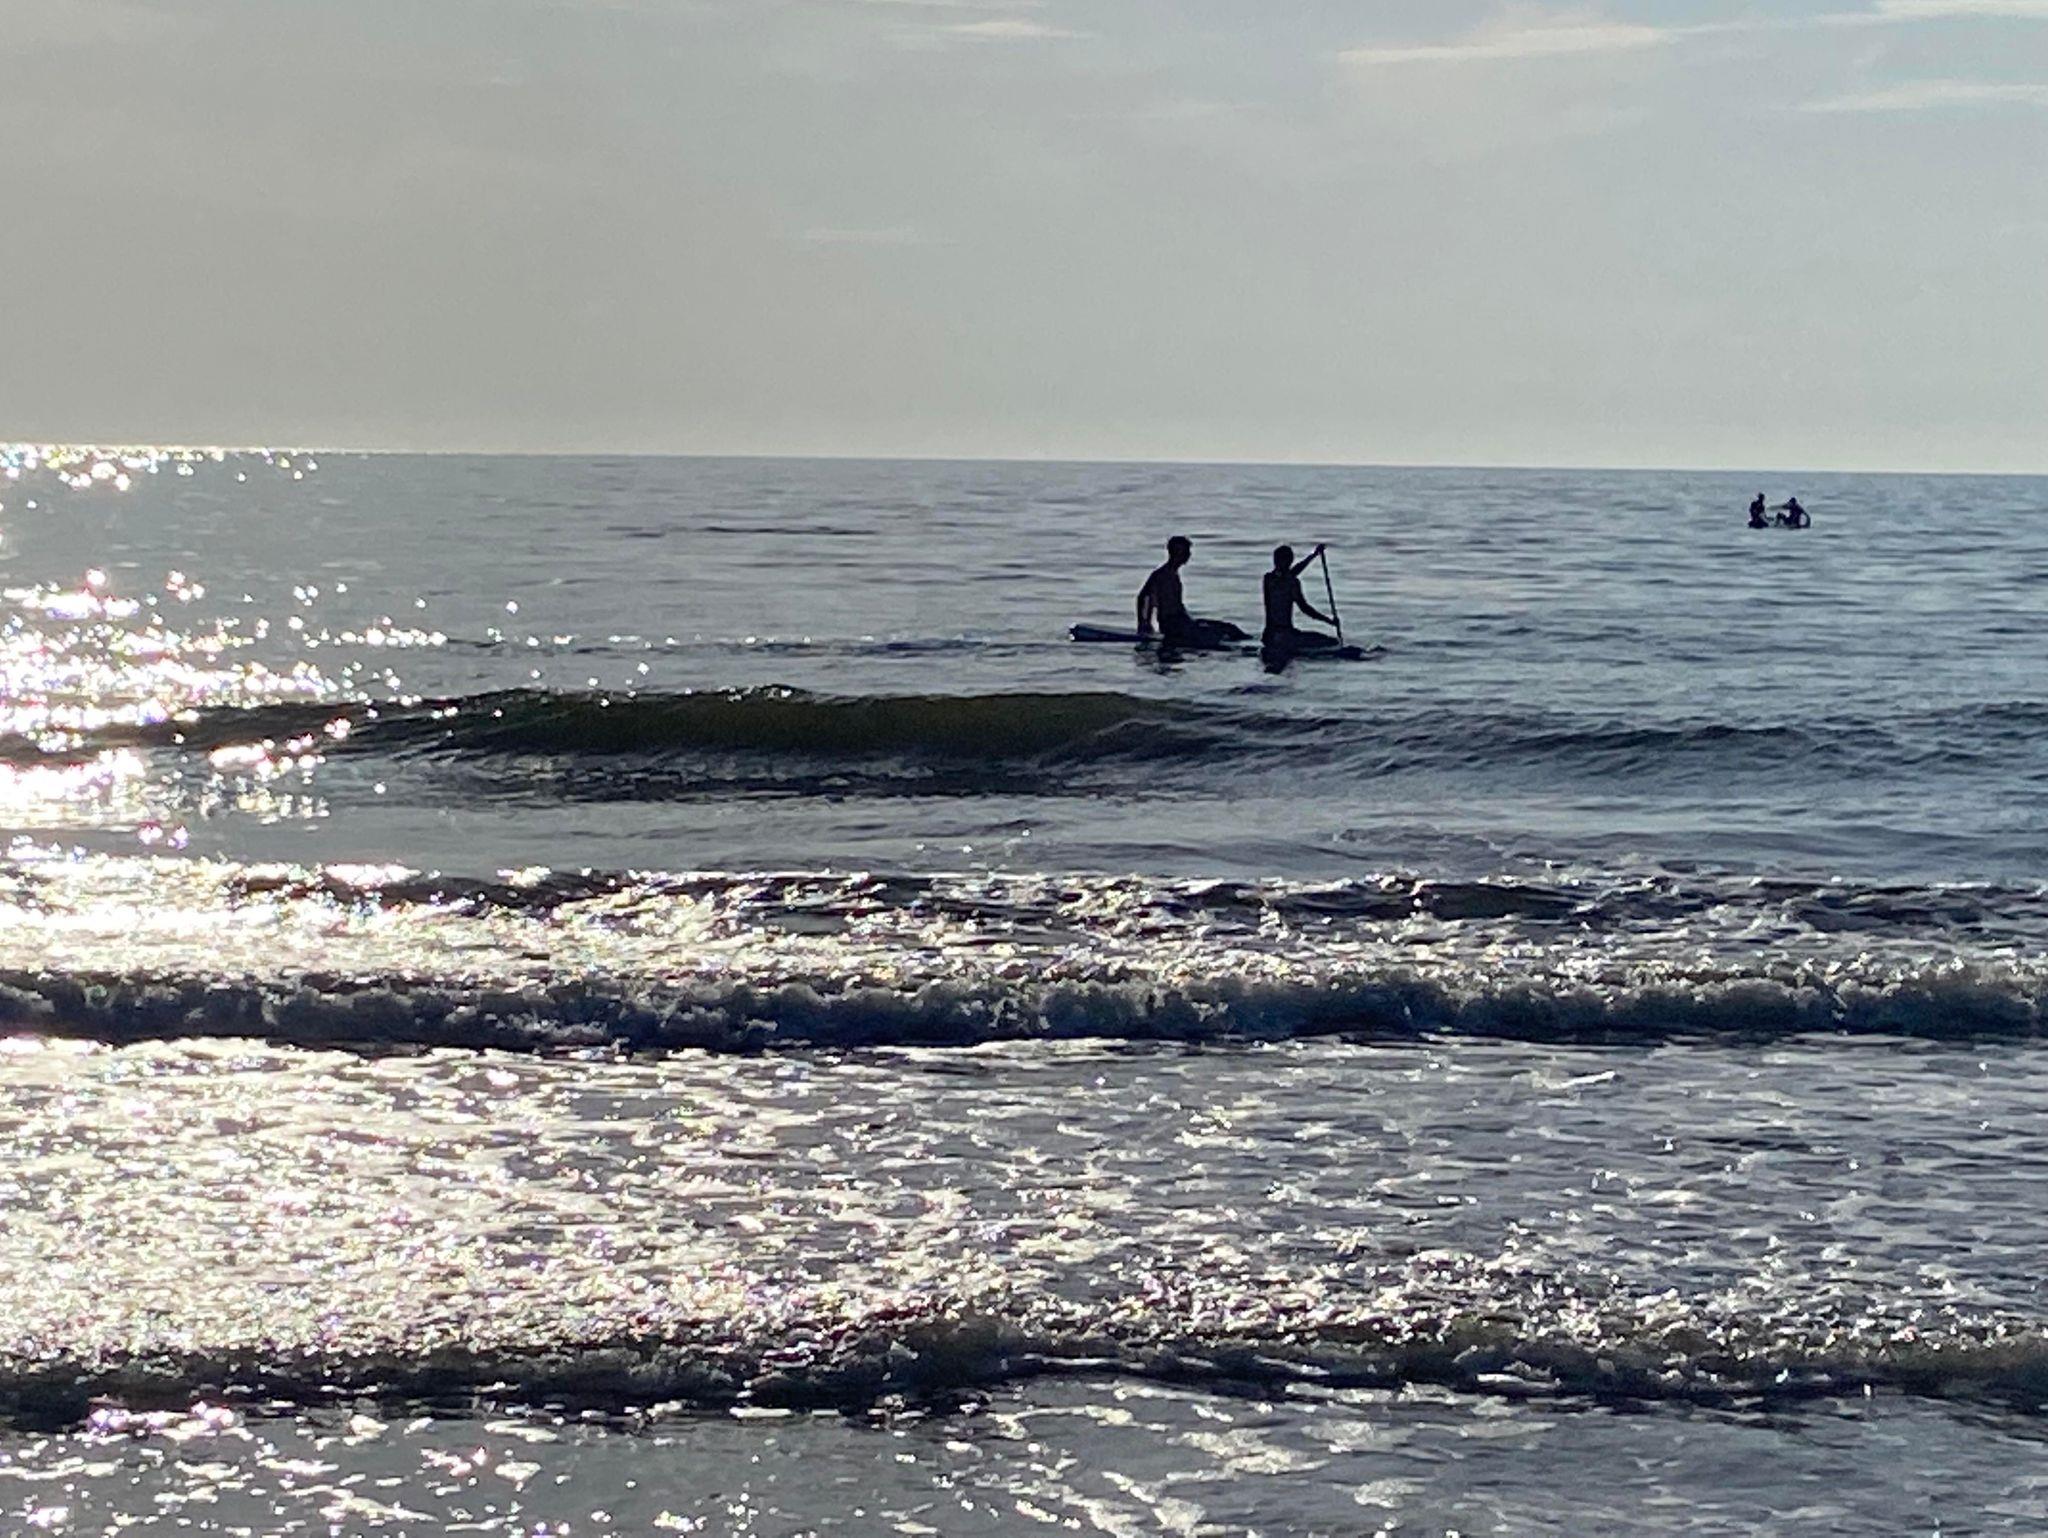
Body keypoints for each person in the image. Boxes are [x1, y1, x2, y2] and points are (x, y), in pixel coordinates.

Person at [1136, 536, 1243, 648]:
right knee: (1219, 634)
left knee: (1229, 628)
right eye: (1186, 551)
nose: (1189, 554)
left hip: (1183, 621)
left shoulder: (1172, 574)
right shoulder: (1162, 575)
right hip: (1174, 625)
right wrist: (1144, 623)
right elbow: (1144, 597)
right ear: (1178, 553)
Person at [1261, 544, 1340, 653]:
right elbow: (1305, 609)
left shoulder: (1268, 579)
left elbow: (1290, 573)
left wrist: (1313, 555)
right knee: (1332, 642)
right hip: (1285, 636)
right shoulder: (1292, 583)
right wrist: (1329, 621)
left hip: (1269, 635)